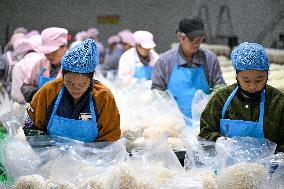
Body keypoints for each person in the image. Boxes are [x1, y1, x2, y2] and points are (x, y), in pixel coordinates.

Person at [24, 39, 121, 142]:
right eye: (69, 83)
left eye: (82, 84)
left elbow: (111, 137)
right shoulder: (48, 91)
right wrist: (48, 151)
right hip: (52, 157)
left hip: (91, 157)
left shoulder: (103, 96)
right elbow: (31, 128)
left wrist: (89, 154)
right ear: (63, 76)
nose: (75, 88)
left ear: (91, 79)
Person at [198, 42, 284, 153]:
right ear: (237, 76)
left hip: (269, 168)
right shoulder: (221, 99)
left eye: (259, 80)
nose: (252, 86)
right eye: (246, 80)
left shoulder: (278, 102)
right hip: (228, 167)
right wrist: (221, 143)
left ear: (267, 75)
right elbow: (205, 133)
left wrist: (278, 159)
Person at [151, 17, 225, 121]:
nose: (196, 42)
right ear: (179, 36)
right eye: (192, 38)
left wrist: (208, 101)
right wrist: (170, 109)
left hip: (204, 121)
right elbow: (157, 91)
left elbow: (220, 86)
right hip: (175, 124)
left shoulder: (209, 59)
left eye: (199, 39)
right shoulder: (164, 61)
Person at [20, 27, 68, 102]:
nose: (49, 55)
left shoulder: (75, 67)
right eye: (46, 52)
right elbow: (25, 86)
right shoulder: (40, 64)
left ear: (64, 47)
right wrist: (34, 94)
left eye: (53, 52)